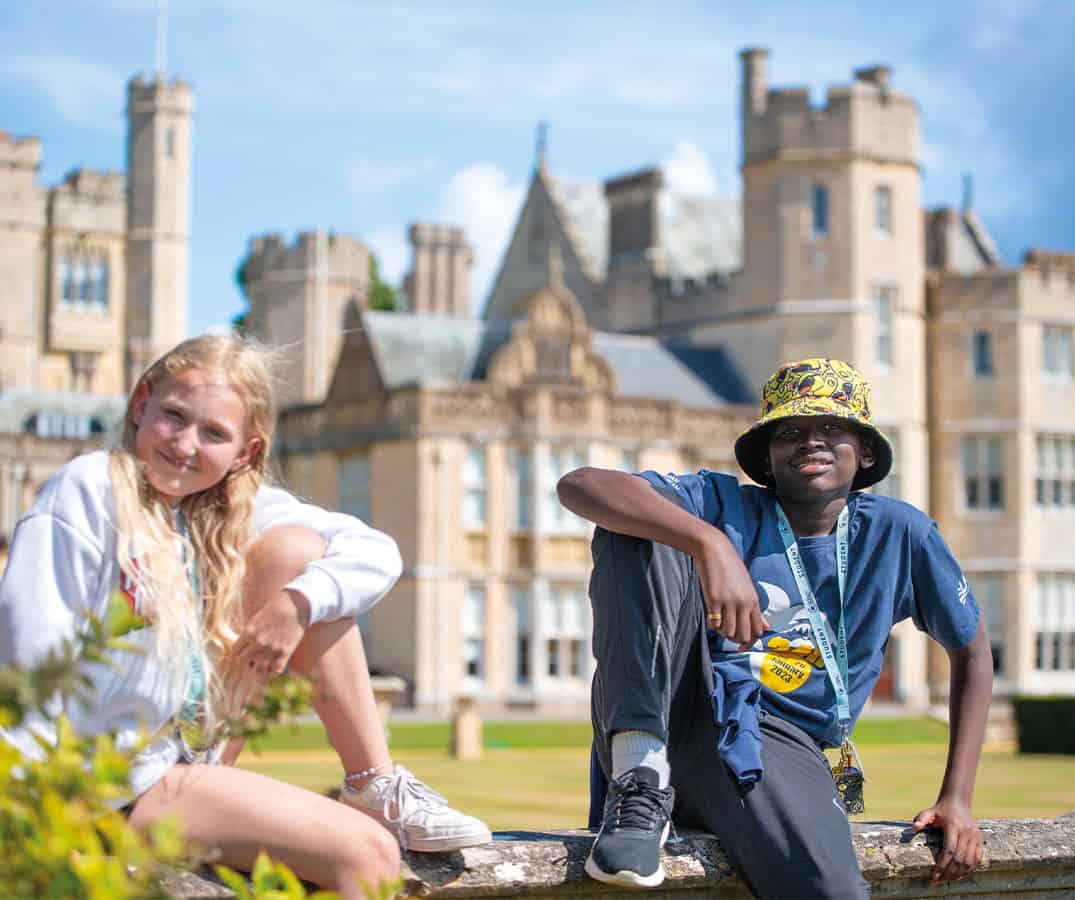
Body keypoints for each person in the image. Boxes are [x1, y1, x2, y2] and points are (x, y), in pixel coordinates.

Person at [0, 335, 490, 900]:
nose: (185, 444)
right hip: (98, 786)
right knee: (367, 852)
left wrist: (294, 605)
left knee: (300, 558)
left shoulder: (228, 509)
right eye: (173, 417)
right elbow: (28, 653)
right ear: (141, 406)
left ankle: (373, 783)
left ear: (246, 453)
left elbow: (378, 553)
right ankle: (367, 794)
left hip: (181, 757)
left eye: (213, 433)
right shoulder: (88, 488)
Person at [557, 357, 993, 898]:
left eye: (832, 428)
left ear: (868, 452)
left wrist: (958, 798)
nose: (810, 441)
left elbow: (973, 652)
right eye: (790, 431)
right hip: (677, 704)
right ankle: (638, 783)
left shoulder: (899, 534)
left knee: (832, 889)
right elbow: (581, 484)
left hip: (780, 741)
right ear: (767, 456)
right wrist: (708, 543)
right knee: (634, 524)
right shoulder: (722, 506)